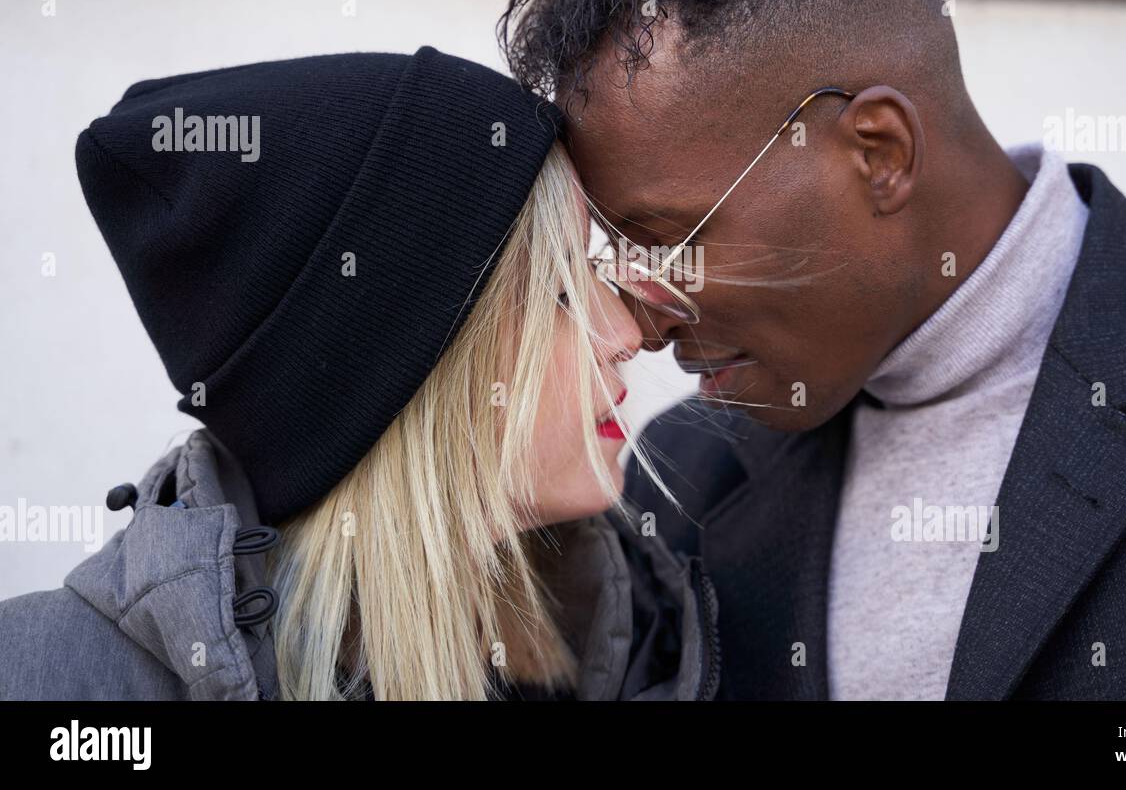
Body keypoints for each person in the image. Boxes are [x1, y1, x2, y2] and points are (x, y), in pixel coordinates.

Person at [498, 0, 1126, 699]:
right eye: (615, 254)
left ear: (878, 152)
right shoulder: (685, 478)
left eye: (669, 240)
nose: (639, 317)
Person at [0, 47, 719, 700]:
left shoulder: (639, 644)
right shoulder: (41, 680)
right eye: (557, 295)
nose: (627, 334)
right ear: (401, 378)